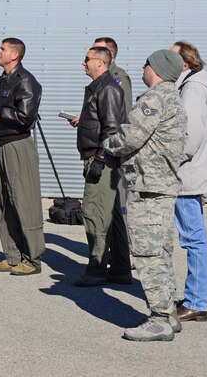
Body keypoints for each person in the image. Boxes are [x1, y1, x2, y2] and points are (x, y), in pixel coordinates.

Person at [103, 49, 187, 341]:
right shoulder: (173, 97)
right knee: (161, 252)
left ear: (159, 68)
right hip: (160, 185)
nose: (143, 67)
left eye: (147, 63)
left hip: (148, 185)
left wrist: (108, 144)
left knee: (148, 253)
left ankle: (160, 319)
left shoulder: (155, 98)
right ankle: (169, 313)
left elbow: (130, 136)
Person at [0, 38, 45, 276]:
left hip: (18, 146)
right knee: (7, 203)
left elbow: (24, 116)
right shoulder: (5, 80)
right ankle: (12, 255)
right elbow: (4, 114)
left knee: (24, 201)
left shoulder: (26, 81)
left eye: (2, 49)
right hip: (2, 144)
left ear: (14, 55)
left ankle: (32, 259)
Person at [72, 45, 131, 287]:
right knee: (112, 213)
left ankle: (96, 267)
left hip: (102, 161)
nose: (83, 63)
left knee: (94, 213)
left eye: (86, 59)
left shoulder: (107, 88)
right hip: (100, 158)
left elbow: (111, 129)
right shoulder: (99, 87)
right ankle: (120, 269)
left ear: (100, 62)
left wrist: (98, 160)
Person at [171, 42, 207, 322]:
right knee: (195, 238)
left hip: (187, 174)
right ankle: (197, 298)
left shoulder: (192, 88)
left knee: (193, 239)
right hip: (191, 172)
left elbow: (188, 138)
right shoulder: (193, 85)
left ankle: (197, 301)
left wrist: (167, 160)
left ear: (185, 63)